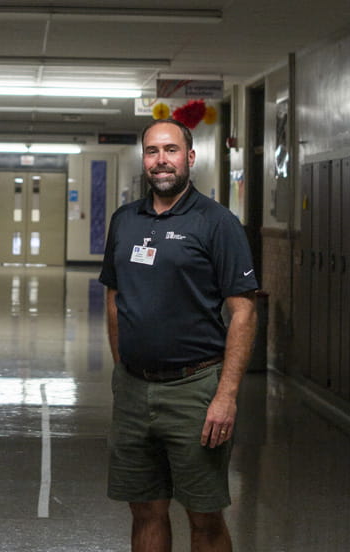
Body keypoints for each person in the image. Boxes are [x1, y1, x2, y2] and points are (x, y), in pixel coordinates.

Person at [99, 119, 258, 552]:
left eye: (171, 150)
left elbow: (243, 312)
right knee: (145, 509)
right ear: (144, 160)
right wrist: (121, 369)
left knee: (204, 515)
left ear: (190, 157)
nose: (161, 160)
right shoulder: (125, 220)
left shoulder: (217, 222)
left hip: (196, 389)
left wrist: (226, 395)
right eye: (152, 151)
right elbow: (115, 297)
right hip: (134, 389)